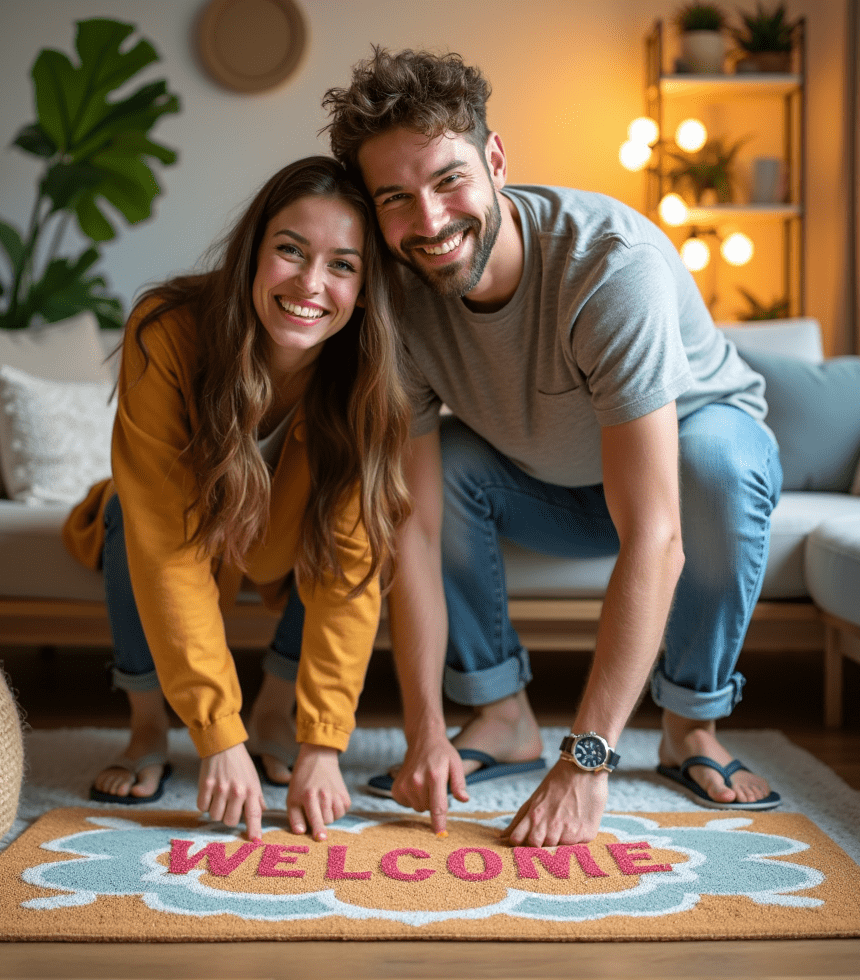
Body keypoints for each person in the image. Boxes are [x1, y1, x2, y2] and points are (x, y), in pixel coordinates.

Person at [273, 46, 784, 847]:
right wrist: (424, 731)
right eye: (397, 199)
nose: (432, 221)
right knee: (442, 465)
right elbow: (417, 529)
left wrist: (586, 762)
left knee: (712, 462)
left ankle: (693, 725)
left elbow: (656, 534)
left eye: (449, 180)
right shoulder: (395, 305)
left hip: (684, 471)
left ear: (496, 159)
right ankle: (498, 713)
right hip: (555, 484)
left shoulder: (610, 269)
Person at [62, 156, 412, 842]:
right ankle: (146, 731)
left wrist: (324, 746)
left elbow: (349, 566)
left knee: (344, 529)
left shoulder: (369, 375)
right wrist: (217, 739)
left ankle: (279, 716)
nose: (311, 284)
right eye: (290, 250)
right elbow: (165, 545)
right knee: (126, 517)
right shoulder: (166, 329)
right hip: (174, 523)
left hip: (287, 536)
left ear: (366, 288)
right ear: (254, 251)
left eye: (342, 265)